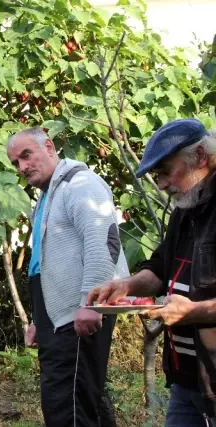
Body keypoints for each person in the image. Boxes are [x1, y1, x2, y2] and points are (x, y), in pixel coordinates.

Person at [87, 118, 216, 426]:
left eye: (165, 172)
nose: (160, 184)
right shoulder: (185, 210)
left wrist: (194, 311)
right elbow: (160, 269)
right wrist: (126, 286)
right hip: (186, 381)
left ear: (200, 157)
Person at [7, 127, 129, 426]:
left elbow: (103, 242)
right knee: (83, 398)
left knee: (66, 405)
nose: (23, 167)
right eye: (16, 163)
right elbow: (43, 265)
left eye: (27, 155)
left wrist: (92, 302)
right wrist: (40, 320)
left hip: (81, 311)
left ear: (48, 146)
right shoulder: (49, 196)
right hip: (59, 317)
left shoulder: (80, 183)